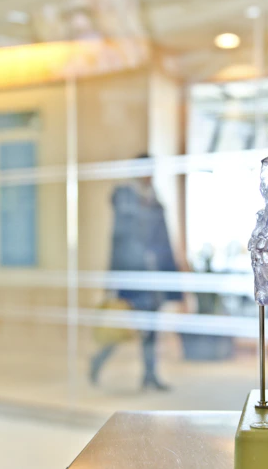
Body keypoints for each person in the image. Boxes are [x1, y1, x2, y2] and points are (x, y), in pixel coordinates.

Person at [90, 154, 181, 391]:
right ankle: (98, 359)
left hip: (153, 277)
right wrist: (114, 279)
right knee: (123, 327)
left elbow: (163, 241)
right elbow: (119, 240)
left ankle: (150, 375)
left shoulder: (153, 200)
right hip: (133, 276)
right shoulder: (126, 197)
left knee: (150, 329)